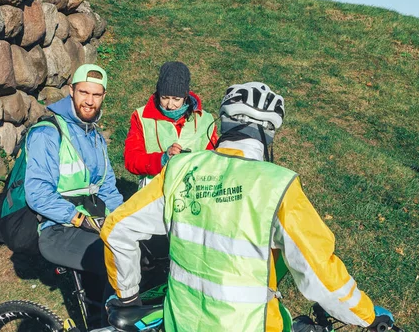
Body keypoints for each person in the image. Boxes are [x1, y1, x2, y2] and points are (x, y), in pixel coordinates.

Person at [101, 82, 395, 331]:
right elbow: (319, 270)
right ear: (268, 134)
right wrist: (367, 315)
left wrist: (128, 298)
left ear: (224, 122)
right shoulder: (278, 186)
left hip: (182, 321)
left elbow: (117, 228)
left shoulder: (180, 169)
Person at [24, 64, 123, 278]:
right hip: (58, 227)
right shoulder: (47, 134)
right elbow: (38, 194)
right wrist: (79, 218)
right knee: (118, 258)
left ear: (104, 96)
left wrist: (124, 219)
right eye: (84, 92)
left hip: (96, 221)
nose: (89, 101)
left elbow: (107, 188)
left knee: (140, 249)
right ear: (71, 90)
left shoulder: (95, 136)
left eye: (96, 95)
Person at [124, 61, 218, 188]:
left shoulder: (205, 120)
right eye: (164, 97)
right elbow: (131, 160)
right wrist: (162, 160)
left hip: (193, 188)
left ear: (185, 97)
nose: (170, 105)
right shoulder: (141, 117)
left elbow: (214, 160)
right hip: (154, 190)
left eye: (176, 99)